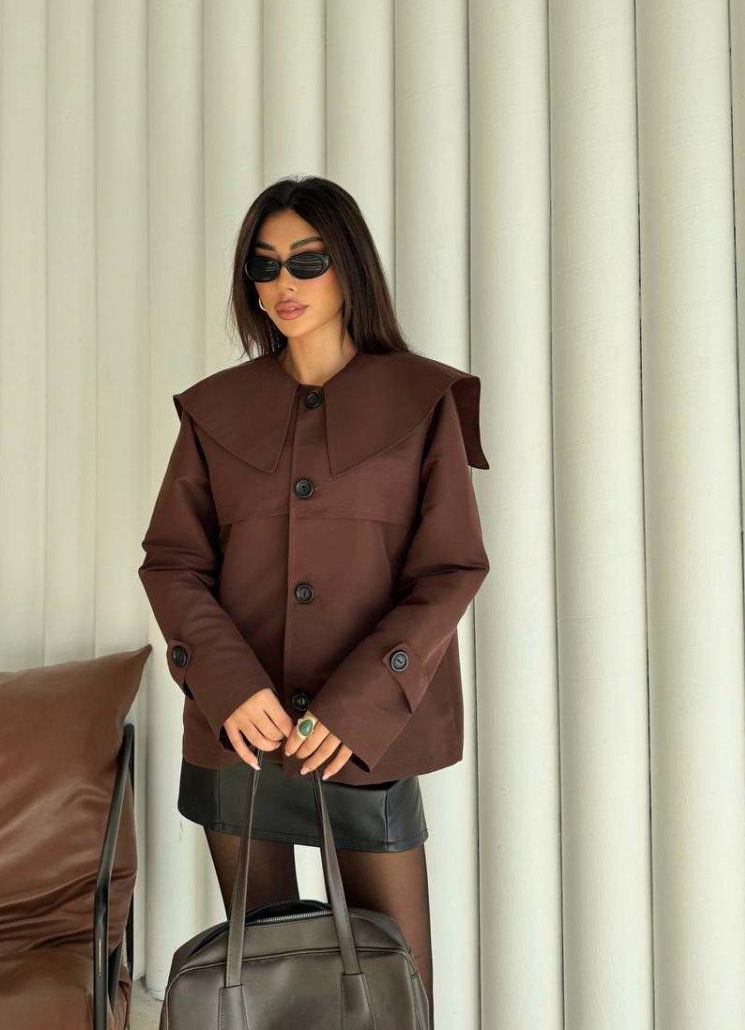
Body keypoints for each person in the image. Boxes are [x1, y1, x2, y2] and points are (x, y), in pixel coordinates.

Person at [138, 175, 490, 1026]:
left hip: (369, 736)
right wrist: (230, 689)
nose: (283, 282)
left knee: (397, 992)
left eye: (307, 259)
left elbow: (450, 569)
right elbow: (173, 563)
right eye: (265, 265)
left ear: (349, 267)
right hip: (239, 736)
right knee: (264, 989)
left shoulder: (421, 402)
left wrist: (360, 701)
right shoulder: (215, 411)